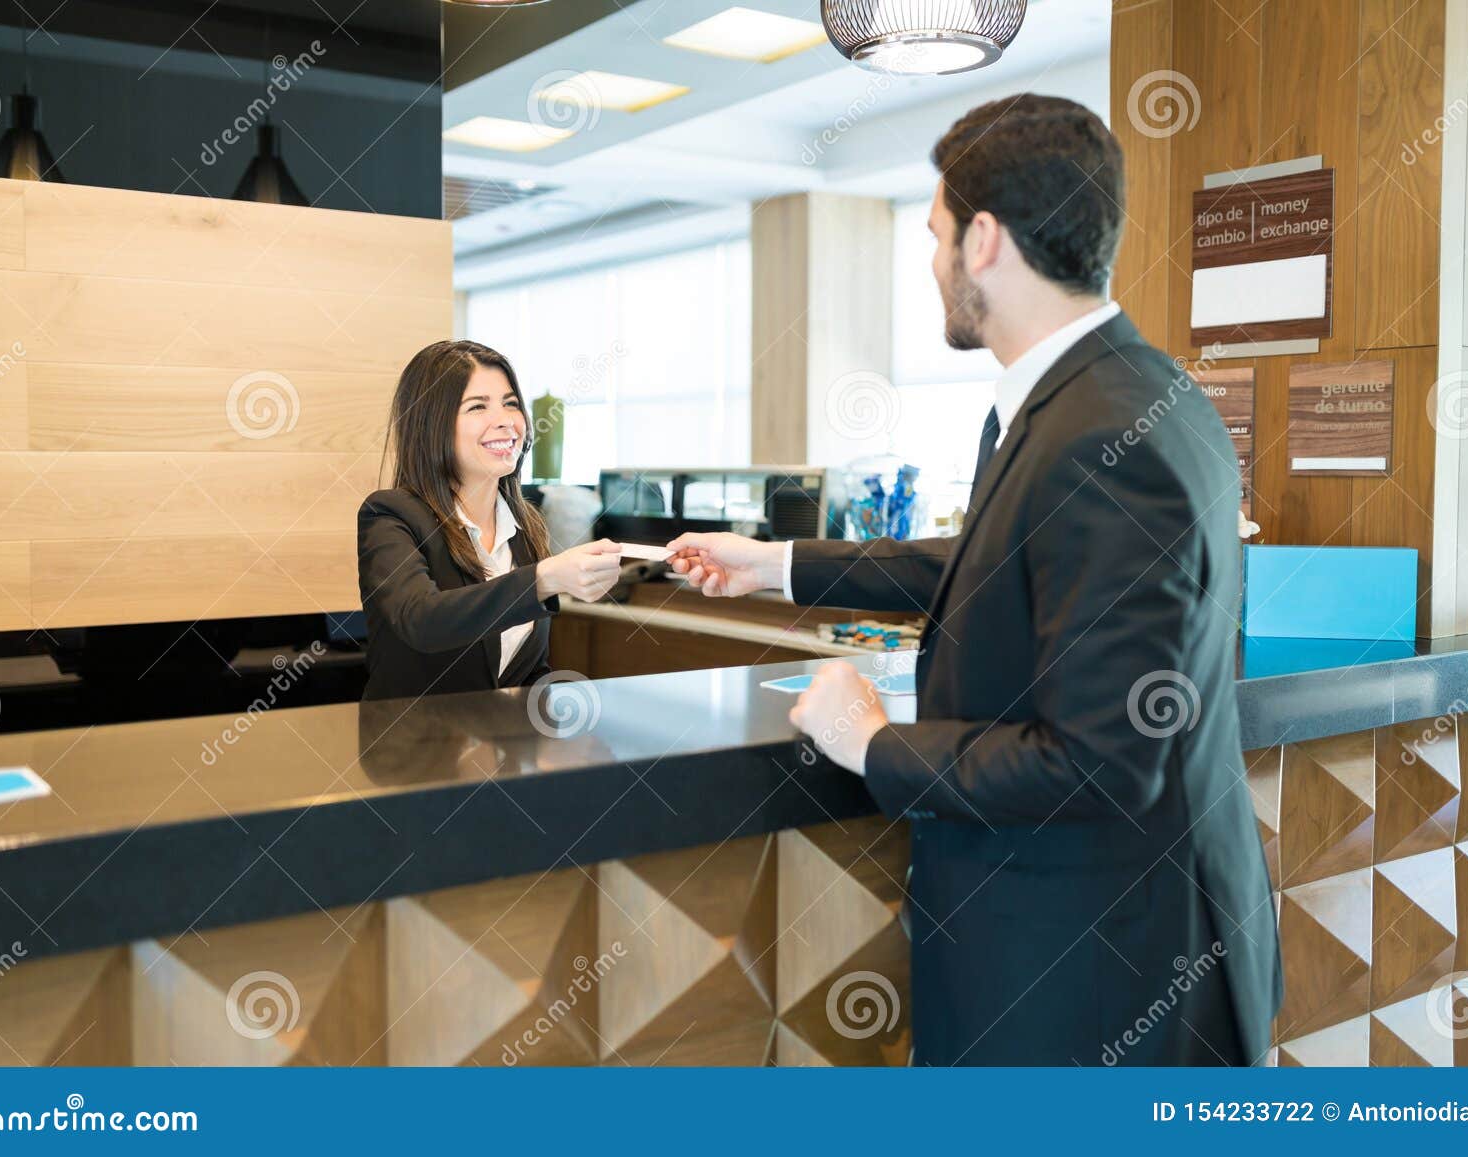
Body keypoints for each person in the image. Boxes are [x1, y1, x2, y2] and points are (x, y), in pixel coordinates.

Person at [667, 95, 1281, 1066]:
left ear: (983, 240)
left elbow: (1098, 761)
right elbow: (996, 560)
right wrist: (780, 564)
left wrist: (872, 741)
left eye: (934, 234)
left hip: (1096, 981)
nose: (930, 261)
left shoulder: (1097, 438)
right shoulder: (1110, 396)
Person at [358, 340, 621, 701]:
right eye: (477, 406)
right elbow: (421, 621)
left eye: (510, 403)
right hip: (416, 752)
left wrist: (562, 721)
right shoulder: (390, 516)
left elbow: (526, 670)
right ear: (432, 423)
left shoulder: (525, 526)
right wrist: (544, 580)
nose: (506, 421)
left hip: (502, 753)